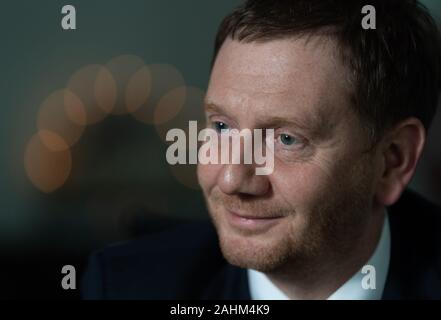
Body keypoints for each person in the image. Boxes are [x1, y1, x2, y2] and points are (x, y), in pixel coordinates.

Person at [82, 0, 441, 299]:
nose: (231, 178)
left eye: (287, 139)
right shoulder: (123, 287)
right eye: (222, 127)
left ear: (393, 161)